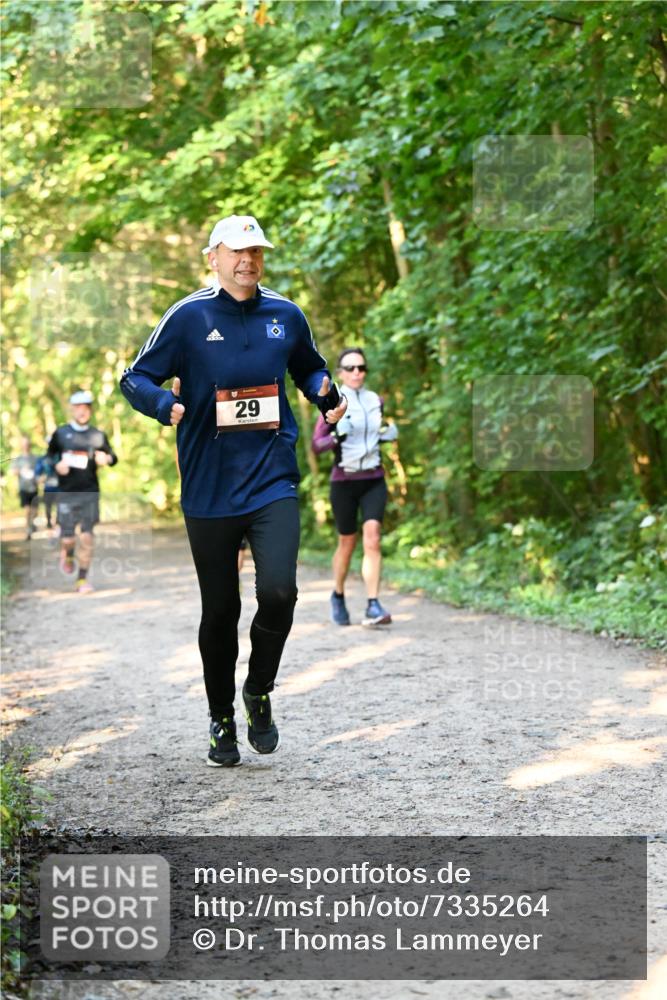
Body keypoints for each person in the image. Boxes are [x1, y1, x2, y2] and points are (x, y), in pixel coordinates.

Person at [120, 214, 347, 768]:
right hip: (209, 487)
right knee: (220, 610)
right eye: (237, 252)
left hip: (272, 480)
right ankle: (221, 715)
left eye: (257, 252)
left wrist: (326, 393)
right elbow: (135, 377)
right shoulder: (188, 317)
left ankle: (259, 690)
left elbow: (310, 370)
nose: (248, 261)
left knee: (280, 593)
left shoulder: (286, 315)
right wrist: (161, 405)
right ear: (213, 257)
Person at [312, 346, 398, 627]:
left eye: (361, 368)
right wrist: (337, 437)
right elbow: (316, 445)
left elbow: (377, 431)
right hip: (344, 482)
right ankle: (338, 594)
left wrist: (386, 435)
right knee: (347, 542)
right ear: (340, 373)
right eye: (350, 368)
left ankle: (373, 604)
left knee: (372, 537)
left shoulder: (376, 400)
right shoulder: (332, 401)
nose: (357, 372)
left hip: (373, 478)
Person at [47, 390, 118, 594]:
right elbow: (48, 458)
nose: (82, 411)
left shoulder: (97, 435)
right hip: (67, 494)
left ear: (90, 410)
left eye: (86, 407)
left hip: (90, 493)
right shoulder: (61, 434)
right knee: (68, 539)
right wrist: (56, 465)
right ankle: (68, 554)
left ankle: (82, 580)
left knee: (87, 537)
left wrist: (107, 459)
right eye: (78, 407)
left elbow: (113, 457)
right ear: (72, 409)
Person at [11, 435, 39, 539]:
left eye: (27, 444)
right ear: (21, 445)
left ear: (29, 445)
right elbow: (13, 471)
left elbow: (40, 470)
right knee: (27, 510)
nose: (26, 446)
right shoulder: (18, 459)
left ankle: (33, 524)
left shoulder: (35, 458)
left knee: (35, 511)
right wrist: (20, 471)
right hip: (23, 488)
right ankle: (28, 531)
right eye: (24, 444)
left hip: (34, 487)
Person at [36, 439, 60, 533]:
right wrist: (42, 478)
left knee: (60, 507)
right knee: (48, 507)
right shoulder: (42, 459)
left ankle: (58, 525)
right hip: (48, 488)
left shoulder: (60, 457)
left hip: (60, 488)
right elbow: (37, 476)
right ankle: (49, 524)